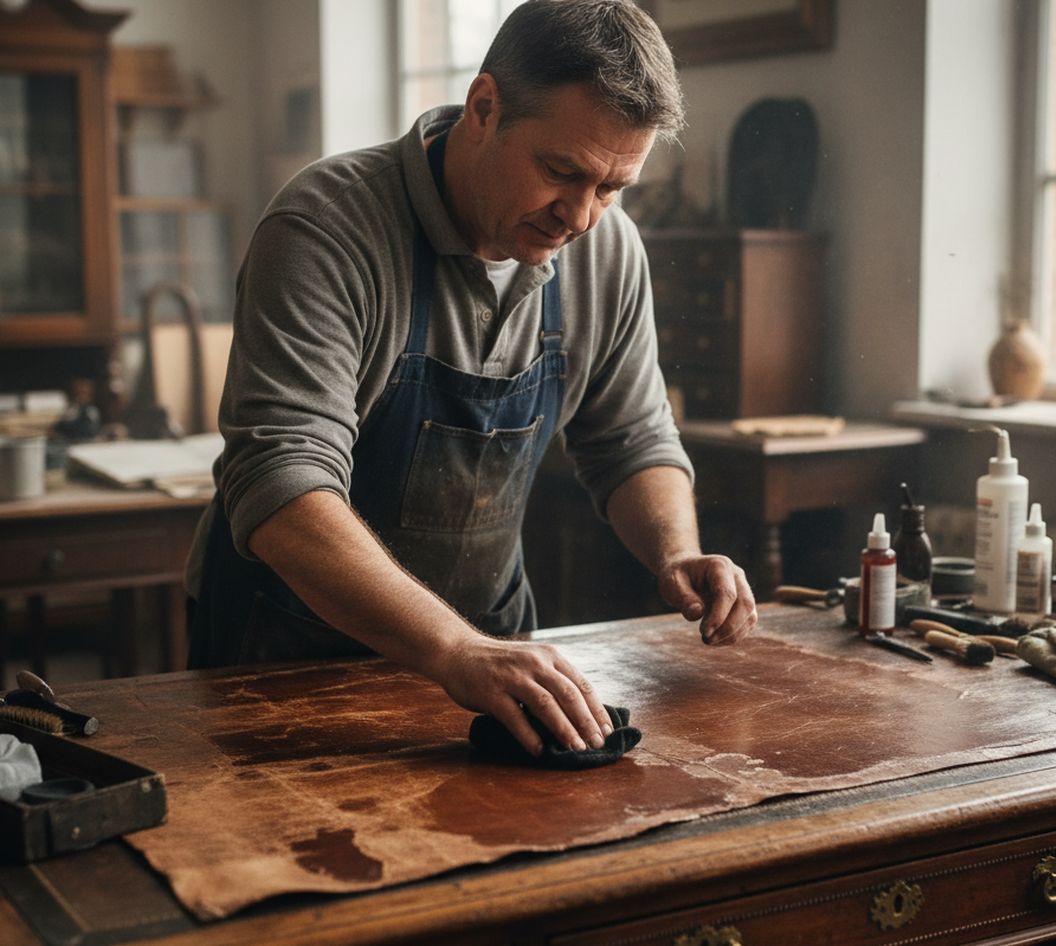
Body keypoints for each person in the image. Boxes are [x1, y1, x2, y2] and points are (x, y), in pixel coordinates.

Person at [185, 0, 757, 758]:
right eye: (563, 172)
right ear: (483, 108)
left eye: (615, 187)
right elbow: (283, 484)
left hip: (493, 659)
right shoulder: (327, 228)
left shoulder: (606, 248)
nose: (582, 218)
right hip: (286, 663)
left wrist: (675, 551)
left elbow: (631, 438)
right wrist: (452, 649)